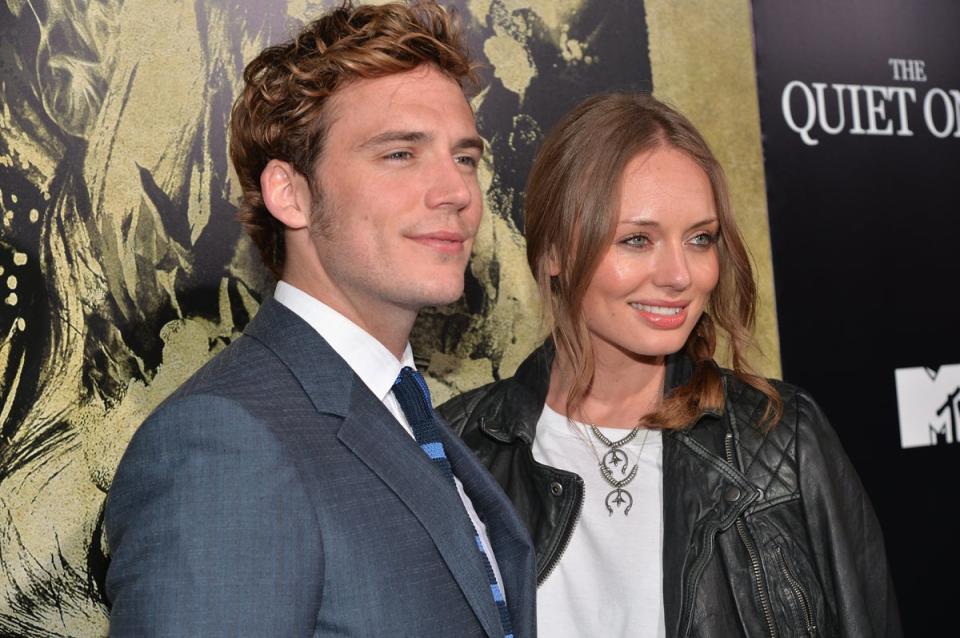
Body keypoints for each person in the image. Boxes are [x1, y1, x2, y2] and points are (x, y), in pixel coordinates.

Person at [103, 2, 536, 636]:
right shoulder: (223, 447)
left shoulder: (410, 412)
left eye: (464, 157)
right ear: (291, 193)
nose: (457, 191)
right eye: (399, 155)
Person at [439, 93, 901, 637]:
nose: (681, 275)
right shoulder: (459, 451)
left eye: (700, 239)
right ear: (555, 251)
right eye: (638, 239)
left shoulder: (783, 438)